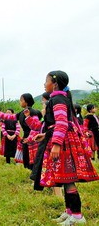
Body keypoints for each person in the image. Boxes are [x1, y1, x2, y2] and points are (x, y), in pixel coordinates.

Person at [27, 70, 98, 225]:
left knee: (68, 178)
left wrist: (57, 144)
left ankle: (78, 217)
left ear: (55, 83)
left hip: (63, 142)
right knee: (64, 178)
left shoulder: (58, 99)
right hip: (61, 138)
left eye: (46, 81)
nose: (44, 84)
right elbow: (57, 123)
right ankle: (69, 212)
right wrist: (45, 135)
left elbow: (62, 122)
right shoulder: (59, 98)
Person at [0, 93, 42, 169]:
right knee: (26, 158)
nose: (20, 101)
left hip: (33, 138)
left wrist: (30, 138)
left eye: (21, 100)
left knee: (33, 158)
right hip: (25, 137)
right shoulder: (22, 113)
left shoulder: (33, 112)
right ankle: (31, 175)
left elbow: (36, 127)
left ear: (26, 102)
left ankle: (35, 177)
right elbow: (10, 117)